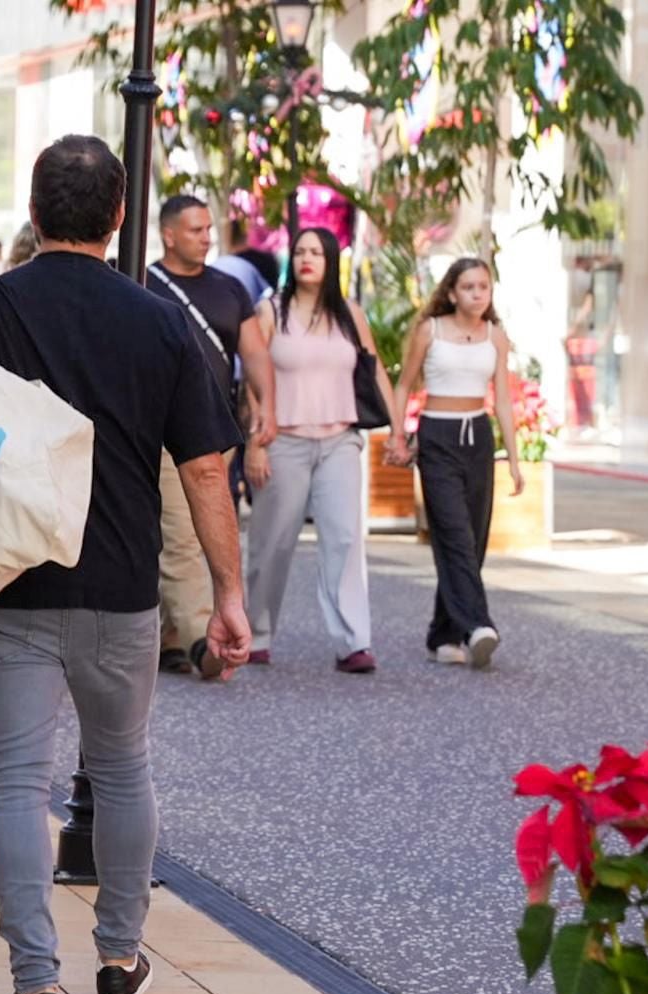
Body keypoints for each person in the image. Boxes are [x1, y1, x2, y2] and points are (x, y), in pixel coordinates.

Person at [0, 135, 247, 994]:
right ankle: (119, 963)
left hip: (11, 584)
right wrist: (230, 595)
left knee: (12, 785)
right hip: (121, 590)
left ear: (36, 215)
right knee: (123, 768)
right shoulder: (157, 320)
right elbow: (204, 470)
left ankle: (35, 987)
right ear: (121, 216)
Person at [245, 226, 398, 673]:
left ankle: (353, 641)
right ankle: (256, 632)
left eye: (317, 251)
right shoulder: (271, 310)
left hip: (339, 440)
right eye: (300, 251)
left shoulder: (350, 313)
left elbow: (374, 373)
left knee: (346, 538)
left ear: (331, 261)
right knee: (272, 541)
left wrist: (398, 432)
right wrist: (255, 440)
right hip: (283, 438)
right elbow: (253, 379)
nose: (307, 258)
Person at [146, 196, 277, 679]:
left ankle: (170, 637)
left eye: (208, 229)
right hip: (162, 429)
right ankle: (205, 639)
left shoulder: (228, 290)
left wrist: (268, 412)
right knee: (181, 535)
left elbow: (256, 355)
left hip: (216, 427)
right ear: (168, 234)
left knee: (209, 536)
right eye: (196, 230)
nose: (207, 238)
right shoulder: (144, 285)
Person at [387, 258, 524, 669]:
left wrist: (514, 460)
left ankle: (443, 633)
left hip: (478, 438)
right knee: (454, 533)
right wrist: (398, 434)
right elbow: (404, 383)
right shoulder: (430, 331)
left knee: (473, 540)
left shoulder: (496, 337)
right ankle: (478, 626)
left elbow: (501, 399)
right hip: (438, 437)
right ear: (451, 292)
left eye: (484, 286)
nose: (478, 294)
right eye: (468, 287)